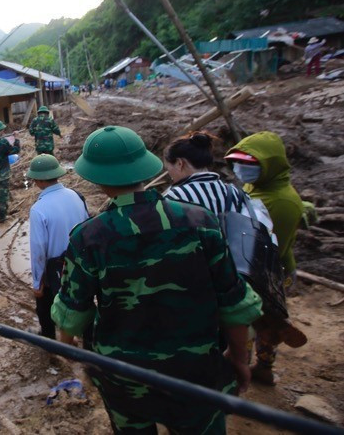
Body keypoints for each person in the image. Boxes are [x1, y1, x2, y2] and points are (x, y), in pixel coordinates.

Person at [52, 125, 262, 434]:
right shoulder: (199, 220)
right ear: (143, 169)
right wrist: (240, 358)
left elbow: (72, 314)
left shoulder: (89, 237)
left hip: (124, 379)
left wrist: (68, 347)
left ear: (96, 179)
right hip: (196, 376)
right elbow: (232, 300)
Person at [225, 131, 304, 386]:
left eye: (249, 165)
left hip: (270, 271)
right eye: (238, 163)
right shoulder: (257, 186)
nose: (240, 169)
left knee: (259, 321)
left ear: (269, 166)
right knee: (257, 320)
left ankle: (253, 367)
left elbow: (269, 249)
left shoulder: (282, 202)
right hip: (252, 264)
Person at [26, 154, 88, 339]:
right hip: (79, 260)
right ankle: (85, 339)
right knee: (81, 300)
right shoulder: (76, 196)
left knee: (45, 305)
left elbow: (38, 250)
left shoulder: (39, 209)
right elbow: (87, 226)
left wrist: (38, 283)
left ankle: (50, 339)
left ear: (37, 180)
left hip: (56, 266)